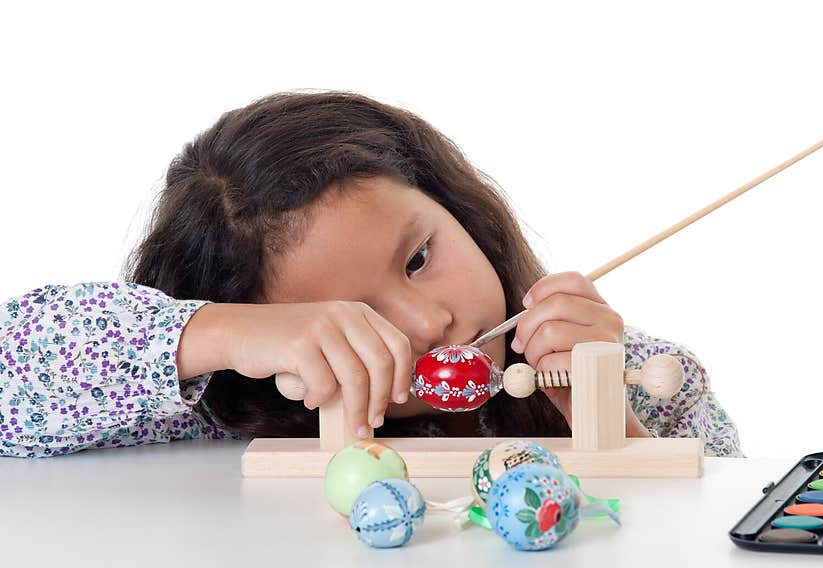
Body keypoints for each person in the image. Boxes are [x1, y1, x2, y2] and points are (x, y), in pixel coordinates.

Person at [0, 90, 743, 459]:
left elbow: (730, 556)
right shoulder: (219, 413)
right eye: (345, 316)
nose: (427, 324)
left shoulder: (641, 371)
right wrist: (222, 334)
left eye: (420, 258)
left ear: (456, 209)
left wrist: (610, 418)